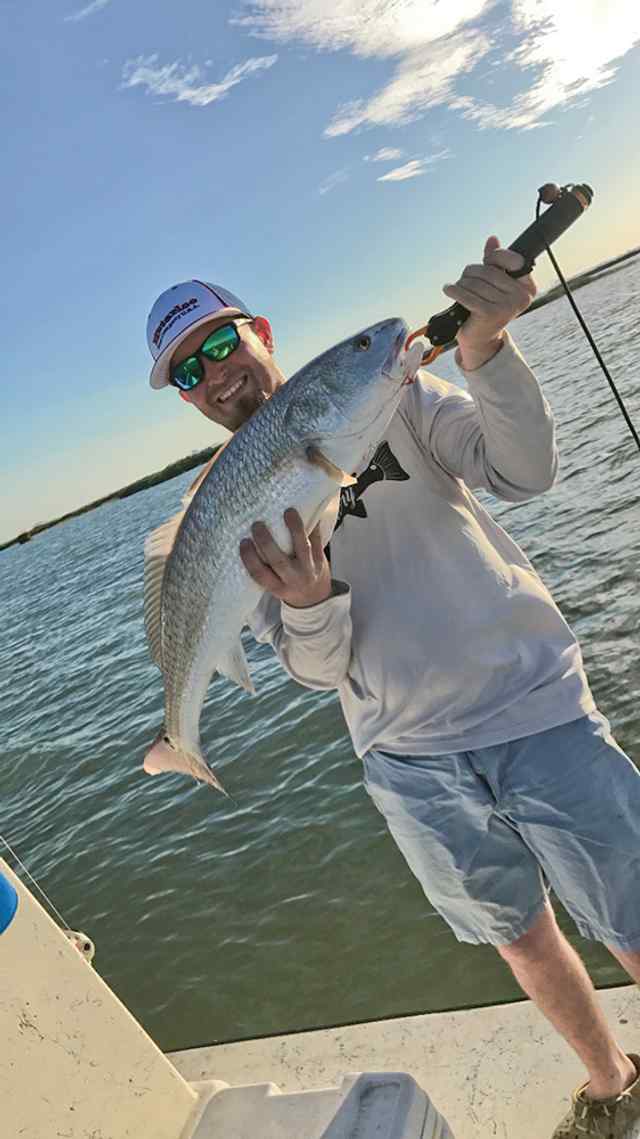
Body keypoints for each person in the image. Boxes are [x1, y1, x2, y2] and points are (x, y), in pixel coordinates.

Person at [145, 244, 640, 1138]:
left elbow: (523, 472)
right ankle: (613, 1079)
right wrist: (307, 603)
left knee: (632, 910)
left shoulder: (406, 395)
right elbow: (315, 669)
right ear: (185, 397)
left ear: (262, 335)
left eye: (222, 345)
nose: (214, 375)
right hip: (406, 760)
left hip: (531, 699)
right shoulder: (206, 522)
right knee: (520, 937)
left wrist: (487, 351)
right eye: (189, 370)